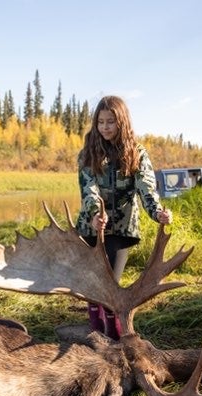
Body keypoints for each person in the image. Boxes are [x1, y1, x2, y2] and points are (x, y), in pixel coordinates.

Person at [75, 95, 172, 340]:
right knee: (94, 286)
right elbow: (89, 189)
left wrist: (156, 212)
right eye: (100, 122)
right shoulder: (88, 153)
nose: (105, 127)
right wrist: (95, 214)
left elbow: (146, 187)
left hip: (121, 229)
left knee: (111, 286)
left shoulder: (136, 153)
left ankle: (116, 340)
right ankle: (97, 337)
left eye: (111, 122)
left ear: (122, 122)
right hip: (92, 227)